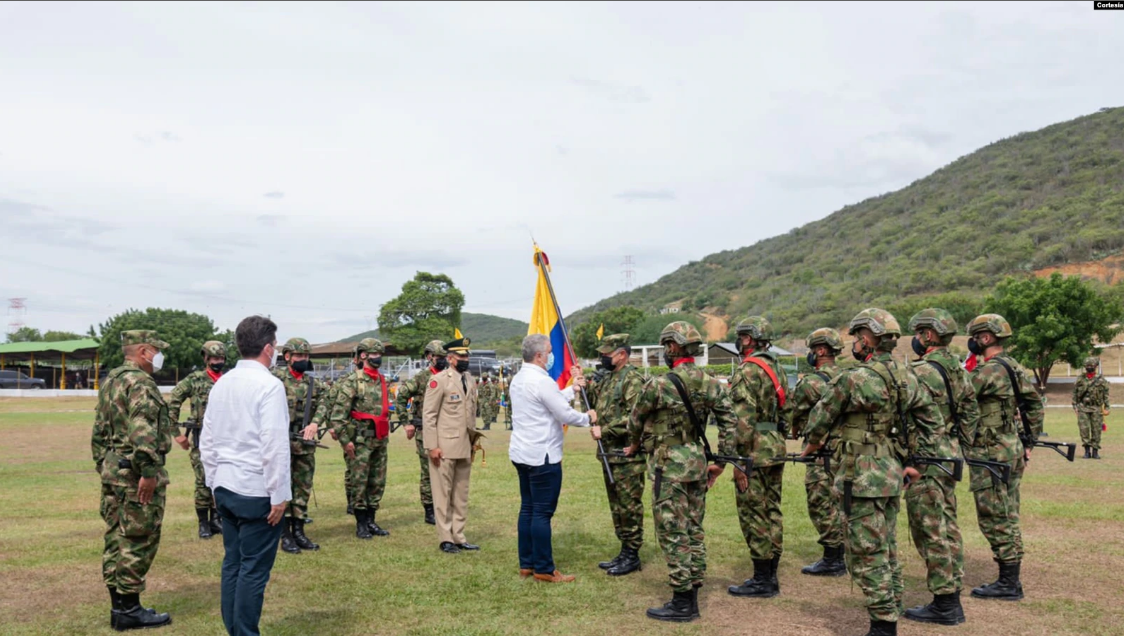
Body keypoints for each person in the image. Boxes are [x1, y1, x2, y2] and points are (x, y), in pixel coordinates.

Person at [801, 308, 944, 636]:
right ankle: (890, 609)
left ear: (867, 339)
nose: (854, 343)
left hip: (860, 474)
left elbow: (819, 420)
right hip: (891, 472)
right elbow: (932, 423)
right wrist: (917, 463)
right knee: (887, 547)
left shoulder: (854, 378)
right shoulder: (907, 376)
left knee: (867, 551)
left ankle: (883, 625)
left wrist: (809, 448)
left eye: (856, 337)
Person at [625, 321, 738, 623]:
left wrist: (634, 444)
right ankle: (694, 585)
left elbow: (634, 420)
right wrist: (722, 461)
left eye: (665, 346)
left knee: (672, 530)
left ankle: (682, 601)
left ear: (673, 347)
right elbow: (729, 421)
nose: (664, 351)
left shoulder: (660, 384)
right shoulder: (711, 381)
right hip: (698, 461)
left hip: (668, 465)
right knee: (693, 528)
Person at [200, 315, 290, 636]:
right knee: (252, 571)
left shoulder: (222, 382)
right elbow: (274, 445)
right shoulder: (269, 385)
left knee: (233, 565)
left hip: (225, 486)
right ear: (268, 348)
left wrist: (214, 483)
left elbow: (206, 440)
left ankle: (236, 630)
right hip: (256, 491)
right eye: (276, 346)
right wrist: (279, 495)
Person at [91, 329, 174, 631]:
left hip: (116, 470)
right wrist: (148, 472)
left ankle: (121, 607)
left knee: (116, 538)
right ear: (143, 352)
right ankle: (128, 610)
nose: (159, 355)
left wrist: (105, 465)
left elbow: (99, 430)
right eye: (156, 349)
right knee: (137, 539)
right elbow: (143, 432)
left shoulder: (112, 379)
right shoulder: (140, 382)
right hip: (136, 474)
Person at [902, 309, 979, 625]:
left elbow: (904, 418)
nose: (916, 339)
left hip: (925, 462)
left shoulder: (920, 371)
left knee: (930, 530)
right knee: (947, 527)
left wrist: (910, 457)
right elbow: (971, 414)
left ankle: (945, 604)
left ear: (929, 336)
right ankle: (950, 598)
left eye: (919, 333)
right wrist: (958, 444)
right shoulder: (959, 370)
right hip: (948, 458)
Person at [964, 313, 1043, 602]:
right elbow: (1034, 403)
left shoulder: (987, 372)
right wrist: (1029, 440)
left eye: (975, 337)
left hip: (990, 452)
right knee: (1008, 511)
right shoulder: (1014, 366)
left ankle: (1009, 582)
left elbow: (957, 398)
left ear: (985, 338)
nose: (972, 342)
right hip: (1010, 448)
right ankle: (1009, 576)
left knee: (995, 515)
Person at [508, 333, 597, 581]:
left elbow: (548, 401)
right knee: (542, 513)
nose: (551, 356)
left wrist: (572, 389)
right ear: (539, 356)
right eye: (549, 352)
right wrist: (588, 417)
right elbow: (565, 414)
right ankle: (545, 569)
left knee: (527, 509)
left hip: (522, 453)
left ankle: (527, 563)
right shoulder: (542, 381)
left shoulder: (519, 379)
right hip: (542, 456)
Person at [725, 316, 789, 599]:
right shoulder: (777, 368)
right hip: (775, 446)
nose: (739, 342)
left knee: (754, 513)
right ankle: (771, 574)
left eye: (741, 337)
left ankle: (762, 579)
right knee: (772, 508)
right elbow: (787, 411)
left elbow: (743, 421)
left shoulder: (747, 370)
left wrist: (739, 461)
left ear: (748, 339)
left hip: (753, 451)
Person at [586, 333, 646, 577]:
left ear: (622, 354)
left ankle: (632, 554)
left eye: (607, 354)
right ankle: (624, 550)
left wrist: (606, 430)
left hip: (627, 455)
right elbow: (593, 405)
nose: (602, 357)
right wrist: (586, 384)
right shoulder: (610, 378)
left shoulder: (633, 379)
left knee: (629, 505)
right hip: (609, 453)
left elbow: (637, 415)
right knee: (617, 506)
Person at [789, 328, 847, 577]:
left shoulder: (810, 382)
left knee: (821, 503)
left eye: (812, 350)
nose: (810, 355)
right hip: (848, 451)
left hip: (821, 452)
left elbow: (795, 414)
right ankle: (846, 551)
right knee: (844, 501)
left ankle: (833, 559)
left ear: (821, 351)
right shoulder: (848, 376)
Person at [423, 334, 484, 553]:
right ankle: (445, 538)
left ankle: (459, 536)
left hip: (465, 445)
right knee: (442, 494)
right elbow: (429, 416)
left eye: (467, 355)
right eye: (461, 355)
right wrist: (432, 446)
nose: (465, 359)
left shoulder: (469, 379)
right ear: (450, 358)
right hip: (444, 447)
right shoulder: (438, 380)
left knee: (461, 493)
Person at [330, 338, 393, 539]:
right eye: (374, 354)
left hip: (379, 439)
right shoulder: (353, 381)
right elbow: (338, 415)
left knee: (377, 481)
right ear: (363, 355)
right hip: (359, 441)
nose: (378, 358)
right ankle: (361, 524)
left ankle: (372, 520)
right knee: (360, 481)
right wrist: (345, 441)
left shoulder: (381, 380)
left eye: (380, 354)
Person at [168, 340, 227, 539]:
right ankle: (203, 523)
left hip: (226, 439)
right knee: (203, 480)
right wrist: (176, 434)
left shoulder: (228, 380)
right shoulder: (194, 380)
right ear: (206, 359)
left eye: (221, 358)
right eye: (214, 358)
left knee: (221, 480)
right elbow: (173, 402)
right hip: (202, 438)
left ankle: (216, 519)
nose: (218, 362)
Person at [273, 337, 325, 554]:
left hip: (304, 443)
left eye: (305, 356)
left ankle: (299, 531)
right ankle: (284, 535)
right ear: (287, 357)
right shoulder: (274, 380)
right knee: (283, 487)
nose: (303, 359)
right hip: (280, 442)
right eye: (298, 356)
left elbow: (326, 403)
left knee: (303, 487)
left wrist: (315, 422)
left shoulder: (313, 383)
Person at [394, 339, 448, 525]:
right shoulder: (421, 378)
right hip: (425, 431)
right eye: (438, 356)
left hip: (447, 431)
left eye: (444, 356)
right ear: (429, 357)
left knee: (446, 469)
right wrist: (405, 422)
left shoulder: (451, 376)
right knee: (428, 471)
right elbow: (400, 397)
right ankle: (429, 510)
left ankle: (444, 505)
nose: (442, 360)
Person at [1073, 356, 1109, 459]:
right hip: (1083, 407)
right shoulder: (1080, 379)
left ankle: (1095, 451)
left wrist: (1107, 407)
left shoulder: (1101, 379)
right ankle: (1087, 451)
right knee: (1084, 430)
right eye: (1087, 366)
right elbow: (1075, 393)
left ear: (1096, 366)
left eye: (1091, 366)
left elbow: (1106, 394)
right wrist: (1074, 406)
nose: (1089, 367)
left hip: (1096, 407)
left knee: (1096, 429)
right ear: (1084, 367)